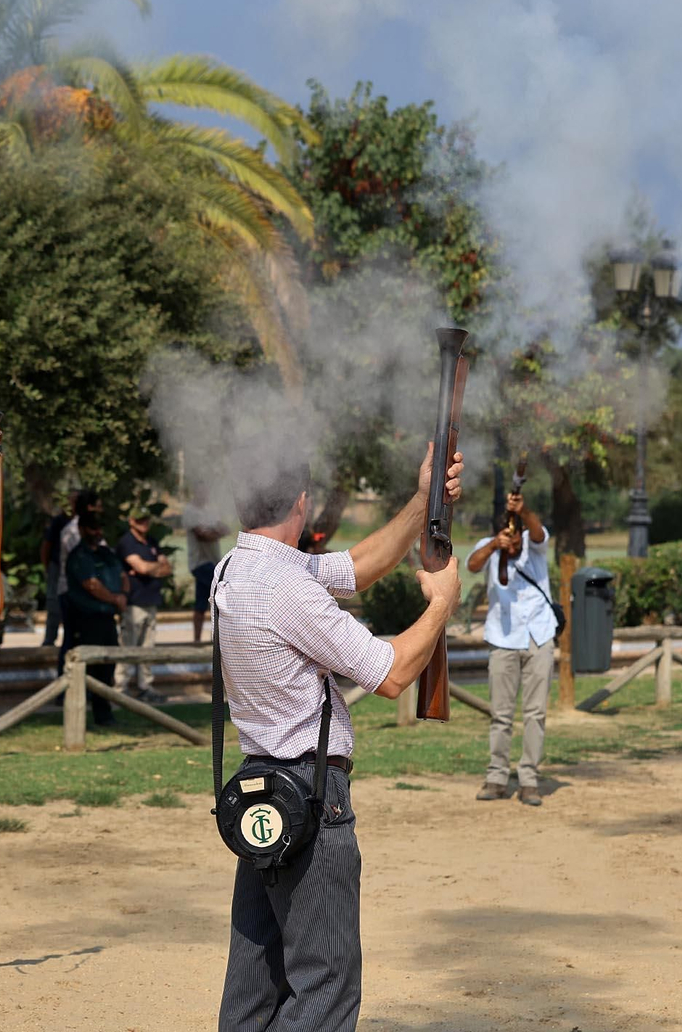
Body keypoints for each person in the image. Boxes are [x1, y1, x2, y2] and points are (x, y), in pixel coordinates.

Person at [214, 440, 463, 1032]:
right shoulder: (287, 588)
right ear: (301, 502)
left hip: (261, 786)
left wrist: (422, 500)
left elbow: (354, 568)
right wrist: (440, 607)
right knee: (326, 988)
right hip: (311, 792)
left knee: (254, 984)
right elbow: (393, 672)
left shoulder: (237, 567)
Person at [466, 491, 556, 807]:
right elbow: (473, 565)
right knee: (500, 714)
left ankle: (529, 778)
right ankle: (497, 776)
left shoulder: (535, 545)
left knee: (535, 713)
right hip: (503, 639)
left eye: (516, 536)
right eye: (509, 535)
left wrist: (523, 508)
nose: (514, 542)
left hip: (539, 636)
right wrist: (494, 546)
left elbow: (539, 530)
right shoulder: (488, 548)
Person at [63, 513, 128, 727]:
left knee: (108, 667)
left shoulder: (105, 553)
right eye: (92, 528)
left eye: (99, 528)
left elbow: (122, 575)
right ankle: (81, 719)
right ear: (81, 529)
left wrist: (123, 595)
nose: (97, 532)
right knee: (89, 670)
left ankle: (104, 714)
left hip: (107, 619)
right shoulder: (78, 556)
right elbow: (91, 584)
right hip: (87, 621)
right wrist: (116, 598)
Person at [116, 508, 171, 702]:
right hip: (134, 603)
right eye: (139, 520)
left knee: (147, 648)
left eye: (146, 519)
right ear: (131, 521)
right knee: (128, 647)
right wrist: (151, 567)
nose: (144, 523)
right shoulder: (127, 542)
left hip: (151, 601)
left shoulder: (152, 542)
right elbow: (141, 567)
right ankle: (120, 688)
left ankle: (144, 687)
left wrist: (149, 569)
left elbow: (167, 568)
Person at [56, 490, 101, 673]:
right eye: (98, 506)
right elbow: (82, 565)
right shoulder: (72, 531)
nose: (101, 510)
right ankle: (64, 688)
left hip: (90, 594)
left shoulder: (96, 531)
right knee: (71, 641)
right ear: (89, 507)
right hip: (71, 593)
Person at [184, 493, 230, 644]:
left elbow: (225, 529)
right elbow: (201, 535)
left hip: (212, 563)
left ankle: (198, 641)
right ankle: (219, 640)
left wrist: (214, 532)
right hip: (200, 562)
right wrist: (216, 532)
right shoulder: (190, 510)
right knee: (221, 597)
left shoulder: (209, 510)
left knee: (201, 601)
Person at [39, 498, 73, 647]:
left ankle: (71, 638)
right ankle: (49, 638)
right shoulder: (58, 521)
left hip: (74, 568)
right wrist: (48, 566)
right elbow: (47, 545)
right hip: (57, 566)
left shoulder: (82, 521)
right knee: (53, 602)